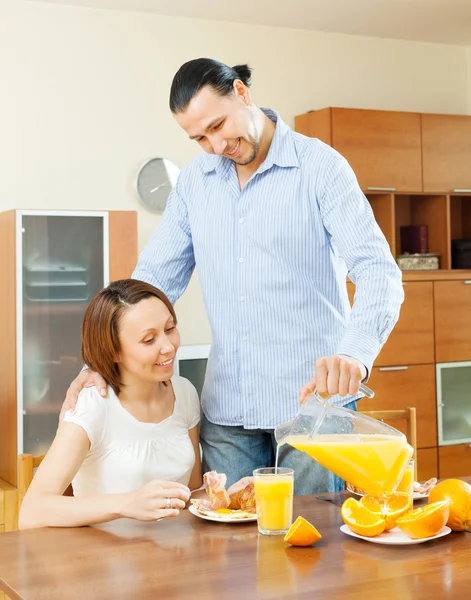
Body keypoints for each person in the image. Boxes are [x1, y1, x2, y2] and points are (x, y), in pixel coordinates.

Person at [62, 58, 404, 495]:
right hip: (228, 416)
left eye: (219, 125)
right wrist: (101, 358)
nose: (215, 144)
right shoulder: (194, 184)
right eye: (199, 137)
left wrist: (355, 354)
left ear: (242, 93)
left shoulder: (321, 167)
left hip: (313, 411)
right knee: (230, 557)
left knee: (310, 549)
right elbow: (151, 283)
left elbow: (378, 271)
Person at [20, 279, 245, 529]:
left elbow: (189, 495)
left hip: (176, 559)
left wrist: (228, 498)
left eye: (170, 329)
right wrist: (126, 504)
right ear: (114, 351)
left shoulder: (185, 393)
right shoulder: (94, 405)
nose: (169, 347)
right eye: (149, 340)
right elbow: (31, 513)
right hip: (104, 562)